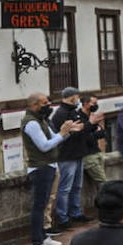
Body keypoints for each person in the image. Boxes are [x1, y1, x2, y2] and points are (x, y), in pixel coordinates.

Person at [24, 92, 84, 245]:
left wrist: (69, 131)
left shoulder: (41, 120)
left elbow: (54, 138)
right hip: (40, 168)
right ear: (35, 105)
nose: (48, 105)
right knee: (39, 206)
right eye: (45, 103)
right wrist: (62, 133)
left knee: (44, 205)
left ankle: (43, 236)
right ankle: (36, 243)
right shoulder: (31, 124)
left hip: (49, 166)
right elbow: (44, 146)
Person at [48, 88, 90, 229]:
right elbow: (58, 136)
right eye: (77, 96)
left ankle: (75, 212)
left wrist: (83, 127)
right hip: (67, 156)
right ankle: (63, 217)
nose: (78, 99)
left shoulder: (74, 112)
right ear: (72, 97)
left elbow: (81, 128)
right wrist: (72, 131)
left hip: (78, 153)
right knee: (65, 188)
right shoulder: (60, 113)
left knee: (77, 186)